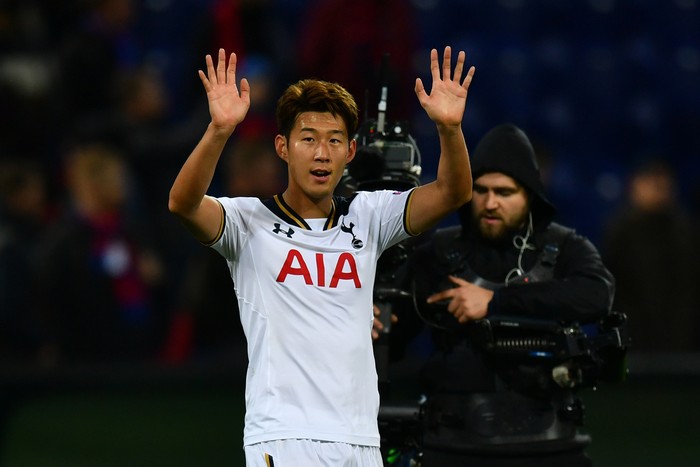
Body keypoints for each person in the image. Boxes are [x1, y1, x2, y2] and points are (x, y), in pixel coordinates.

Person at [167, 47, 475, 465]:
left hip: (361, 438)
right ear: (283, 147)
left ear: (350, 152)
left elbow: (453, 193)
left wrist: (450, 129)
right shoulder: (248, 222)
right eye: (308, 139)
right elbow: (183, 204)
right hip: (285, 435)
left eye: (334, 141)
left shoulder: (369, 216)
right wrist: (220, 130)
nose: (321, 153)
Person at [387, 123, 616, 466]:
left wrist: (495, 301)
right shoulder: (439, 251)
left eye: (505, 192)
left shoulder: (565, 246)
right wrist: (381, 322)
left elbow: (597, 295)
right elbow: (397, 331)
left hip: (549, 445)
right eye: (481, 190)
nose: (490, 203)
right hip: (454, 444)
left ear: (529, 195)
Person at [602, 159, 699, 352]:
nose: (658, 189)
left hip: (683, 341)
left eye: (663, 183)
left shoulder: (687, 232)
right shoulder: (620, 233)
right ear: (635, 186)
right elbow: (613, 292)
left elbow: (690, 289)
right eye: (651, 182)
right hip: (635, 341)